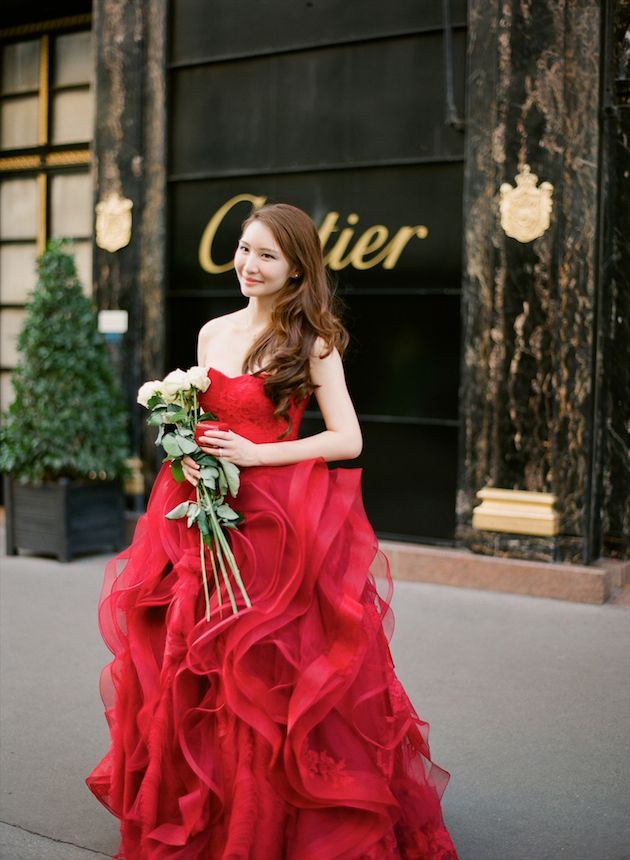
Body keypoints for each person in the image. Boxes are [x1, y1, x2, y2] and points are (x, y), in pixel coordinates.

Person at [86, 203, 459, 859]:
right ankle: (210, 811)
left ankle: (276, 824)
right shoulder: (211, 333)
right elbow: (200, 421)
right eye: (243, 248)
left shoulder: (312, 341)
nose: (248, 265)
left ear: (295, 270)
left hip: (277, 527)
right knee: (193, 663)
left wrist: (257, 456)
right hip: (199, 517)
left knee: (268, 671)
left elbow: (348, 438)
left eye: (265, 255)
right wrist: (191, 459)